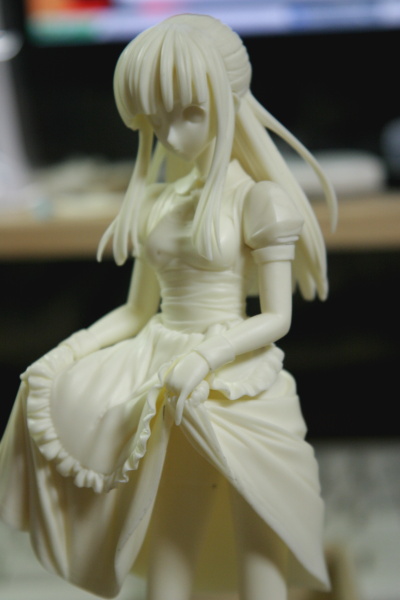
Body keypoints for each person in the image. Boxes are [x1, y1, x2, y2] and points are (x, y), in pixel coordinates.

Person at [0, 14, 337, 600]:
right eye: (157, 121)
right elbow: (136, 311)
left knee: (262, 542)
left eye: (190, 114)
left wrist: (205, 359)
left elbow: (275, 318)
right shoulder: (157, 202)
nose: (173, 136)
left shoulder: (260, 201)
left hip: (239, 386)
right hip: (163, 383)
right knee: (173, 538)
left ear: (229, 100)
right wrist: (68, 353)